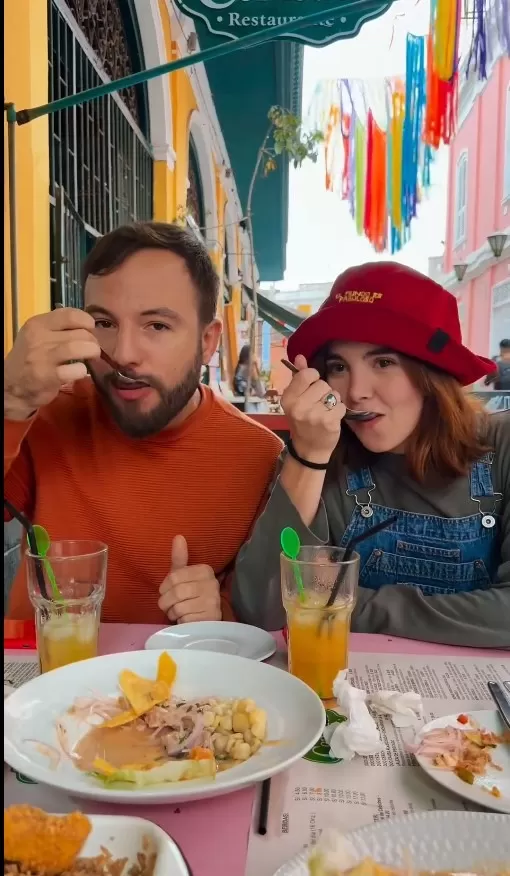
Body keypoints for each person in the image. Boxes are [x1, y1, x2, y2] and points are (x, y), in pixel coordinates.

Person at [4, 222, 283, 624]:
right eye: (104, 323)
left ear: (208, 341)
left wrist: (221, 610)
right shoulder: (47, 414)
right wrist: (10, 401)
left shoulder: (259, 457)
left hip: (176, 683)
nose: (124, 353)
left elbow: (270, 610)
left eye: (157, 326)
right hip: (35, 677)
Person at [232, 262, 510, 648]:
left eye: (384, 362)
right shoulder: (319, 454)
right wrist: (308, 455)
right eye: (339, 366)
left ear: (433, 375)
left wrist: (341, 601)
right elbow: (263, 610)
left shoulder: (503, 446)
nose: (356, 391)